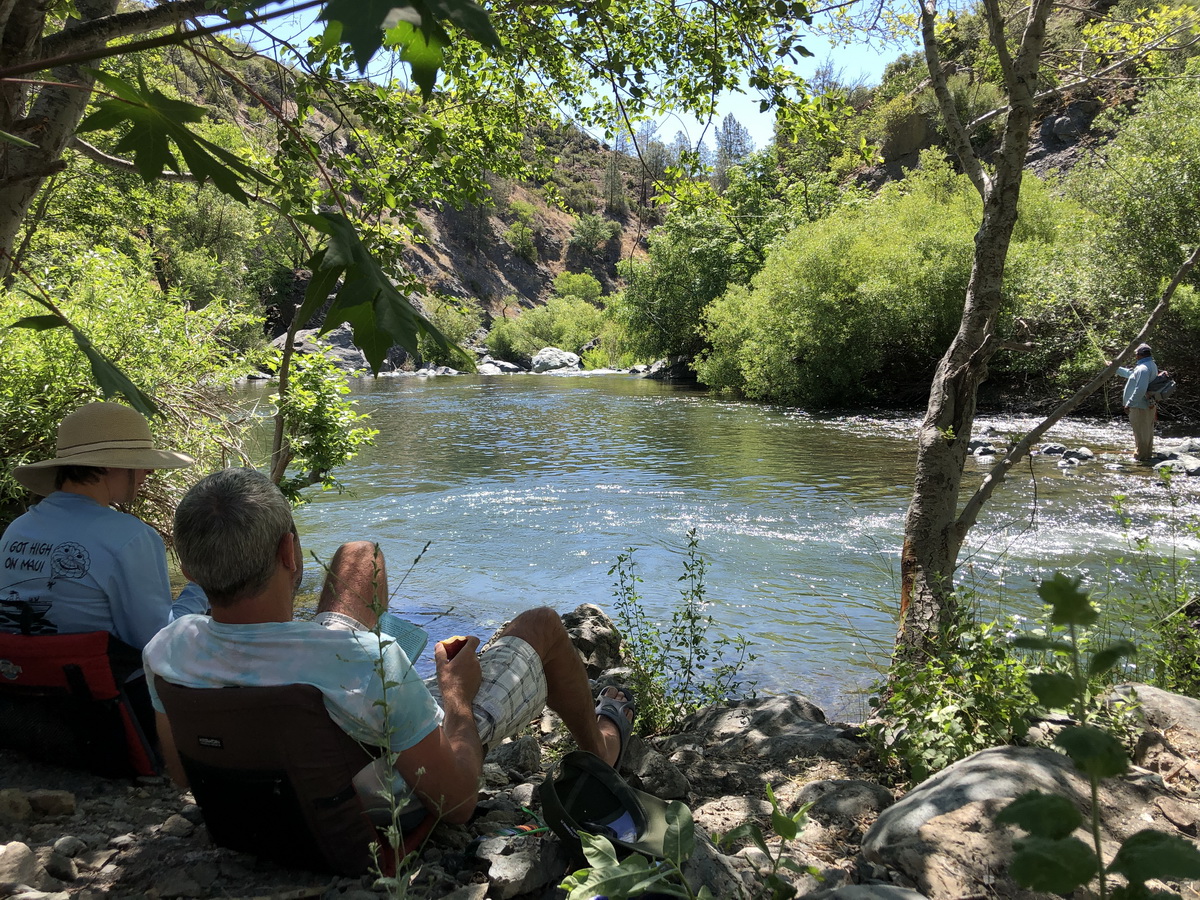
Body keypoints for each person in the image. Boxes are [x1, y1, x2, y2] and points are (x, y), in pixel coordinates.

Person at [143, 467, 635, 825]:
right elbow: (458, 804)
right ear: (289, 553)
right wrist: (457, 696)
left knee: (360, 555)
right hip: (373, 796)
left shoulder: (167, 649)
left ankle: (407, 702)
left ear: (188, 569)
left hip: (270, 789)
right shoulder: (367, 663)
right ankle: (601, 750)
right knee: (543, 624)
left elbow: (185, 774)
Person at [0, 402, 209, 649]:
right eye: (140, 461)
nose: (150, 470)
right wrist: (201, 587)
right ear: (107, 463)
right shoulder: (131, 536)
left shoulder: (17, 529)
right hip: (100, 686)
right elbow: (156, 642)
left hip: (16, 680)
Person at [1115, 343, 1160, 463]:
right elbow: (1131, 374)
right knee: (1146, 431)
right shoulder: (1150, 365)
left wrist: (1129, 403)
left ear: (1138, 355)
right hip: (1147, 405)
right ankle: (1146, 456)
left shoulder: (1143, 369)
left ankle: (1141, 458)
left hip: (1139, 406)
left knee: (1140, 432)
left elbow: (1140, 389)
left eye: (1135, 354)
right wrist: (1115, 368)